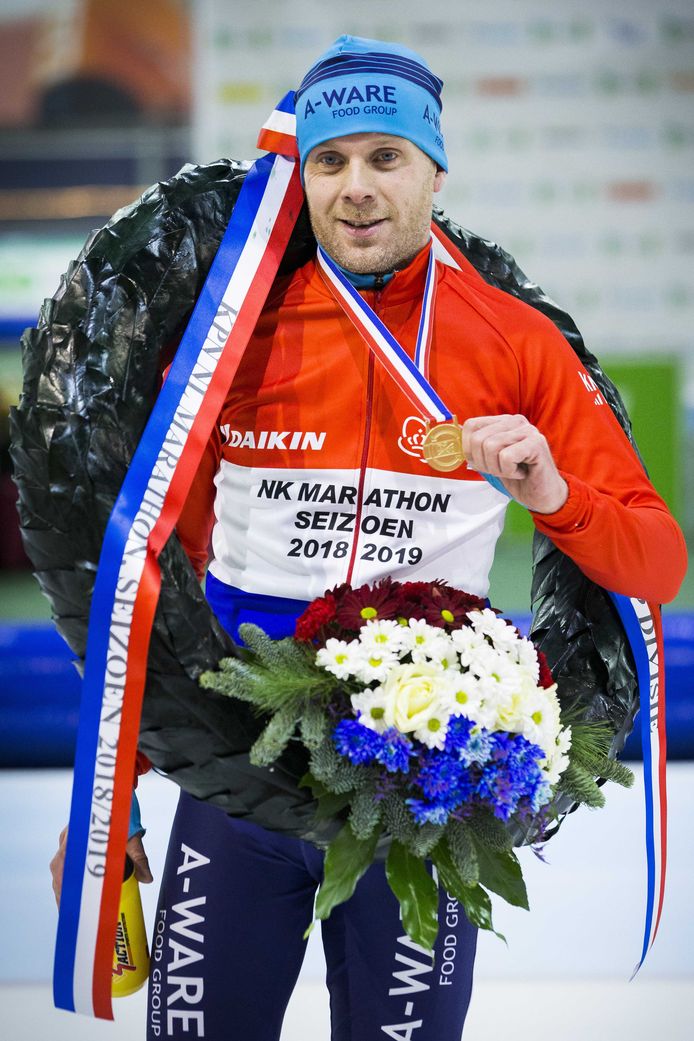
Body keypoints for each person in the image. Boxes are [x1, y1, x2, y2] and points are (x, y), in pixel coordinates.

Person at [50, 35, 687, 1040]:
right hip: (238, 774)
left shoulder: (517, 342)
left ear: (435, 168)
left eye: (385, 157)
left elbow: (655, 561)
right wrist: (106, 808)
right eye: (329, 160)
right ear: (299, 173)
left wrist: (554, 492)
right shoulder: (229, 332)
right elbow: (135, 577)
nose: (355, 187)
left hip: (425, 785)